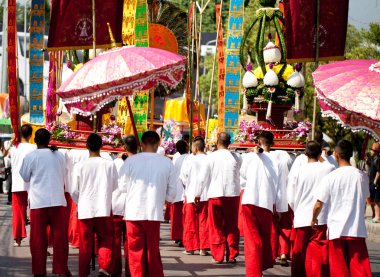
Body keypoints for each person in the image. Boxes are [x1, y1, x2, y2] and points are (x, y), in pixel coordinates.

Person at [118, 131, 177, 277]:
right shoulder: (166, 162)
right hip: (153, 210)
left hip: (134, 210)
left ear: (141, 144)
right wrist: (166, 198)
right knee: (152, 249)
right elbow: (173, 190)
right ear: (158, 144)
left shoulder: (131, 161)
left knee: (135, 250)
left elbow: (122, 186)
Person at [312, 140, 372, 276]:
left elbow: (318, 203)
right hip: (356, 228)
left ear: (336, 154)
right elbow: (366, 199)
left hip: (336, 228)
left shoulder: (331, 177)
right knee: (359, 268)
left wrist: (314, 219)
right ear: (350, 155)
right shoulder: (362, 176)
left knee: (338, 269)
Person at [19, 128, 71, 276]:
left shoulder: (31, 156)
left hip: (38, 202)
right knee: (60, 238)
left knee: (37, 239)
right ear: (49, 140)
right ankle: (61, 269)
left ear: (35, 141)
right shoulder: (59, 155)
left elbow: (25, 177)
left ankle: (39, 271)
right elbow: (64, 173)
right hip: (58, 201)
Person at [240, 131, 288, 276]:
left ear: (259, 142)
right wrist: (280, 208)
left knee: (252, 240)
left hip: (250, 201)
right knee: (263, 238)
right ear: (272, 144)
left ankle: (254, 272)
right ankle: (259, 267)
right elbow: (281, 187)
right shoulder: (278, 161)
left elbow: (243, 176)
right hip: (266, 203)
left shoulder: (249, 157)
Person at [71, 133, 118, 277]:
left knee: (85, 243)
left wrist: (82, 202)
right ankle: (104, 267)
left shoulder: (80, 166)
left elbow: (74, 191)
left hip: (85, 208)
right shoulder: (109, 164)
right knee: (105, 239)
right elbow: (115, 186)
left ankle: (83, 272)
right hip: (103, 207)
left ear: (86, 146)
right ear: (101, 146)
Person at [287, 141, 335, 276]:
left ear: (305, 153)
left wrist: (297, 209)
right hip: (321, 216)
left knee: (299, 252)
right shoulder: (328, 168)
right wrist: (321, 155)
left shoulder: (299, 170)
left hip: (301, 214)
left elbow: (290, 196)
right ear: (320, 153)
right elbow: (329, 164)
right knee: (318, 252)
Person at [206, 132, 242, 263]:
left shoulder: (211, 157)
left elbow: (205, 177)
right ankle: (231, 254)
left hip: (215, 194)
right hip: (232, 194)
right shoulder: (237, 157)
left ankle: (218, 255)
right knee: (232, 225)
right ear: (229, 143)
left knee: (216, 226)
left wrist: (199, 192)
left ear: (217, 141)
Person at [111, 135, 137, 277]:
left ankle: (115, 272)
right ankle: (130, 271)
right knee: (130, 243)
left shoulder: (116, 163)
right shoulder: (140, 163)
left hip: (117, 206)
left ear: (124, 148)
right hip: (131, 208)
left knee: (115, 243)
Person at [180, 136, 210, 256]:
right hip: (205, 195)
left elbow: (183, 177)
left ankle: (191, 247)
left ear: (196, 148)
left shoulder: (189, 160)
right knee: (204, 222)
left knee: (190, 222)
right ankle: (203, 248)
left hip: (191, 193)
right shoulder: (209, 159)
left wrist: (189, 186)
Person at [10, 124, 36, 246]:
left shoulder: (14, 148)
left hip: (17, 184)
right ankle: (37, 241)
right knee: (34, 213)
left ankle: (18, 239)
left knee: (17, 212)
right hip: (31, 184)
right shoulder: (33, 148)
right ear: (31, 135)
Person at [170, 140, 190, 247]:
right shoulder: (190, 158)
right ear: (186, 148)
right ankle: (183, 237)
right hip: (185, 189)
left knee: (177, 216)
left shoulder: (176, 160)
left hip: (177, 190)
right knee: (184, 217)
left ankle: (178, 236)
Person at [368, 142, 380, 223]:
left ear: (376, 151)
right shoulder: (373, 159)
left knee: (376, 200)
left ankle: (377, 217)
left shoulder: (378, 159)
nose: (371, 151)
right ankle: (374, 215)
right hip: (371, 182)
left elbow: (379, 171)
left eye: (372, 150)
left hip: (375, 183)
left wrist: (375, 181)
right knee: (372, 200)